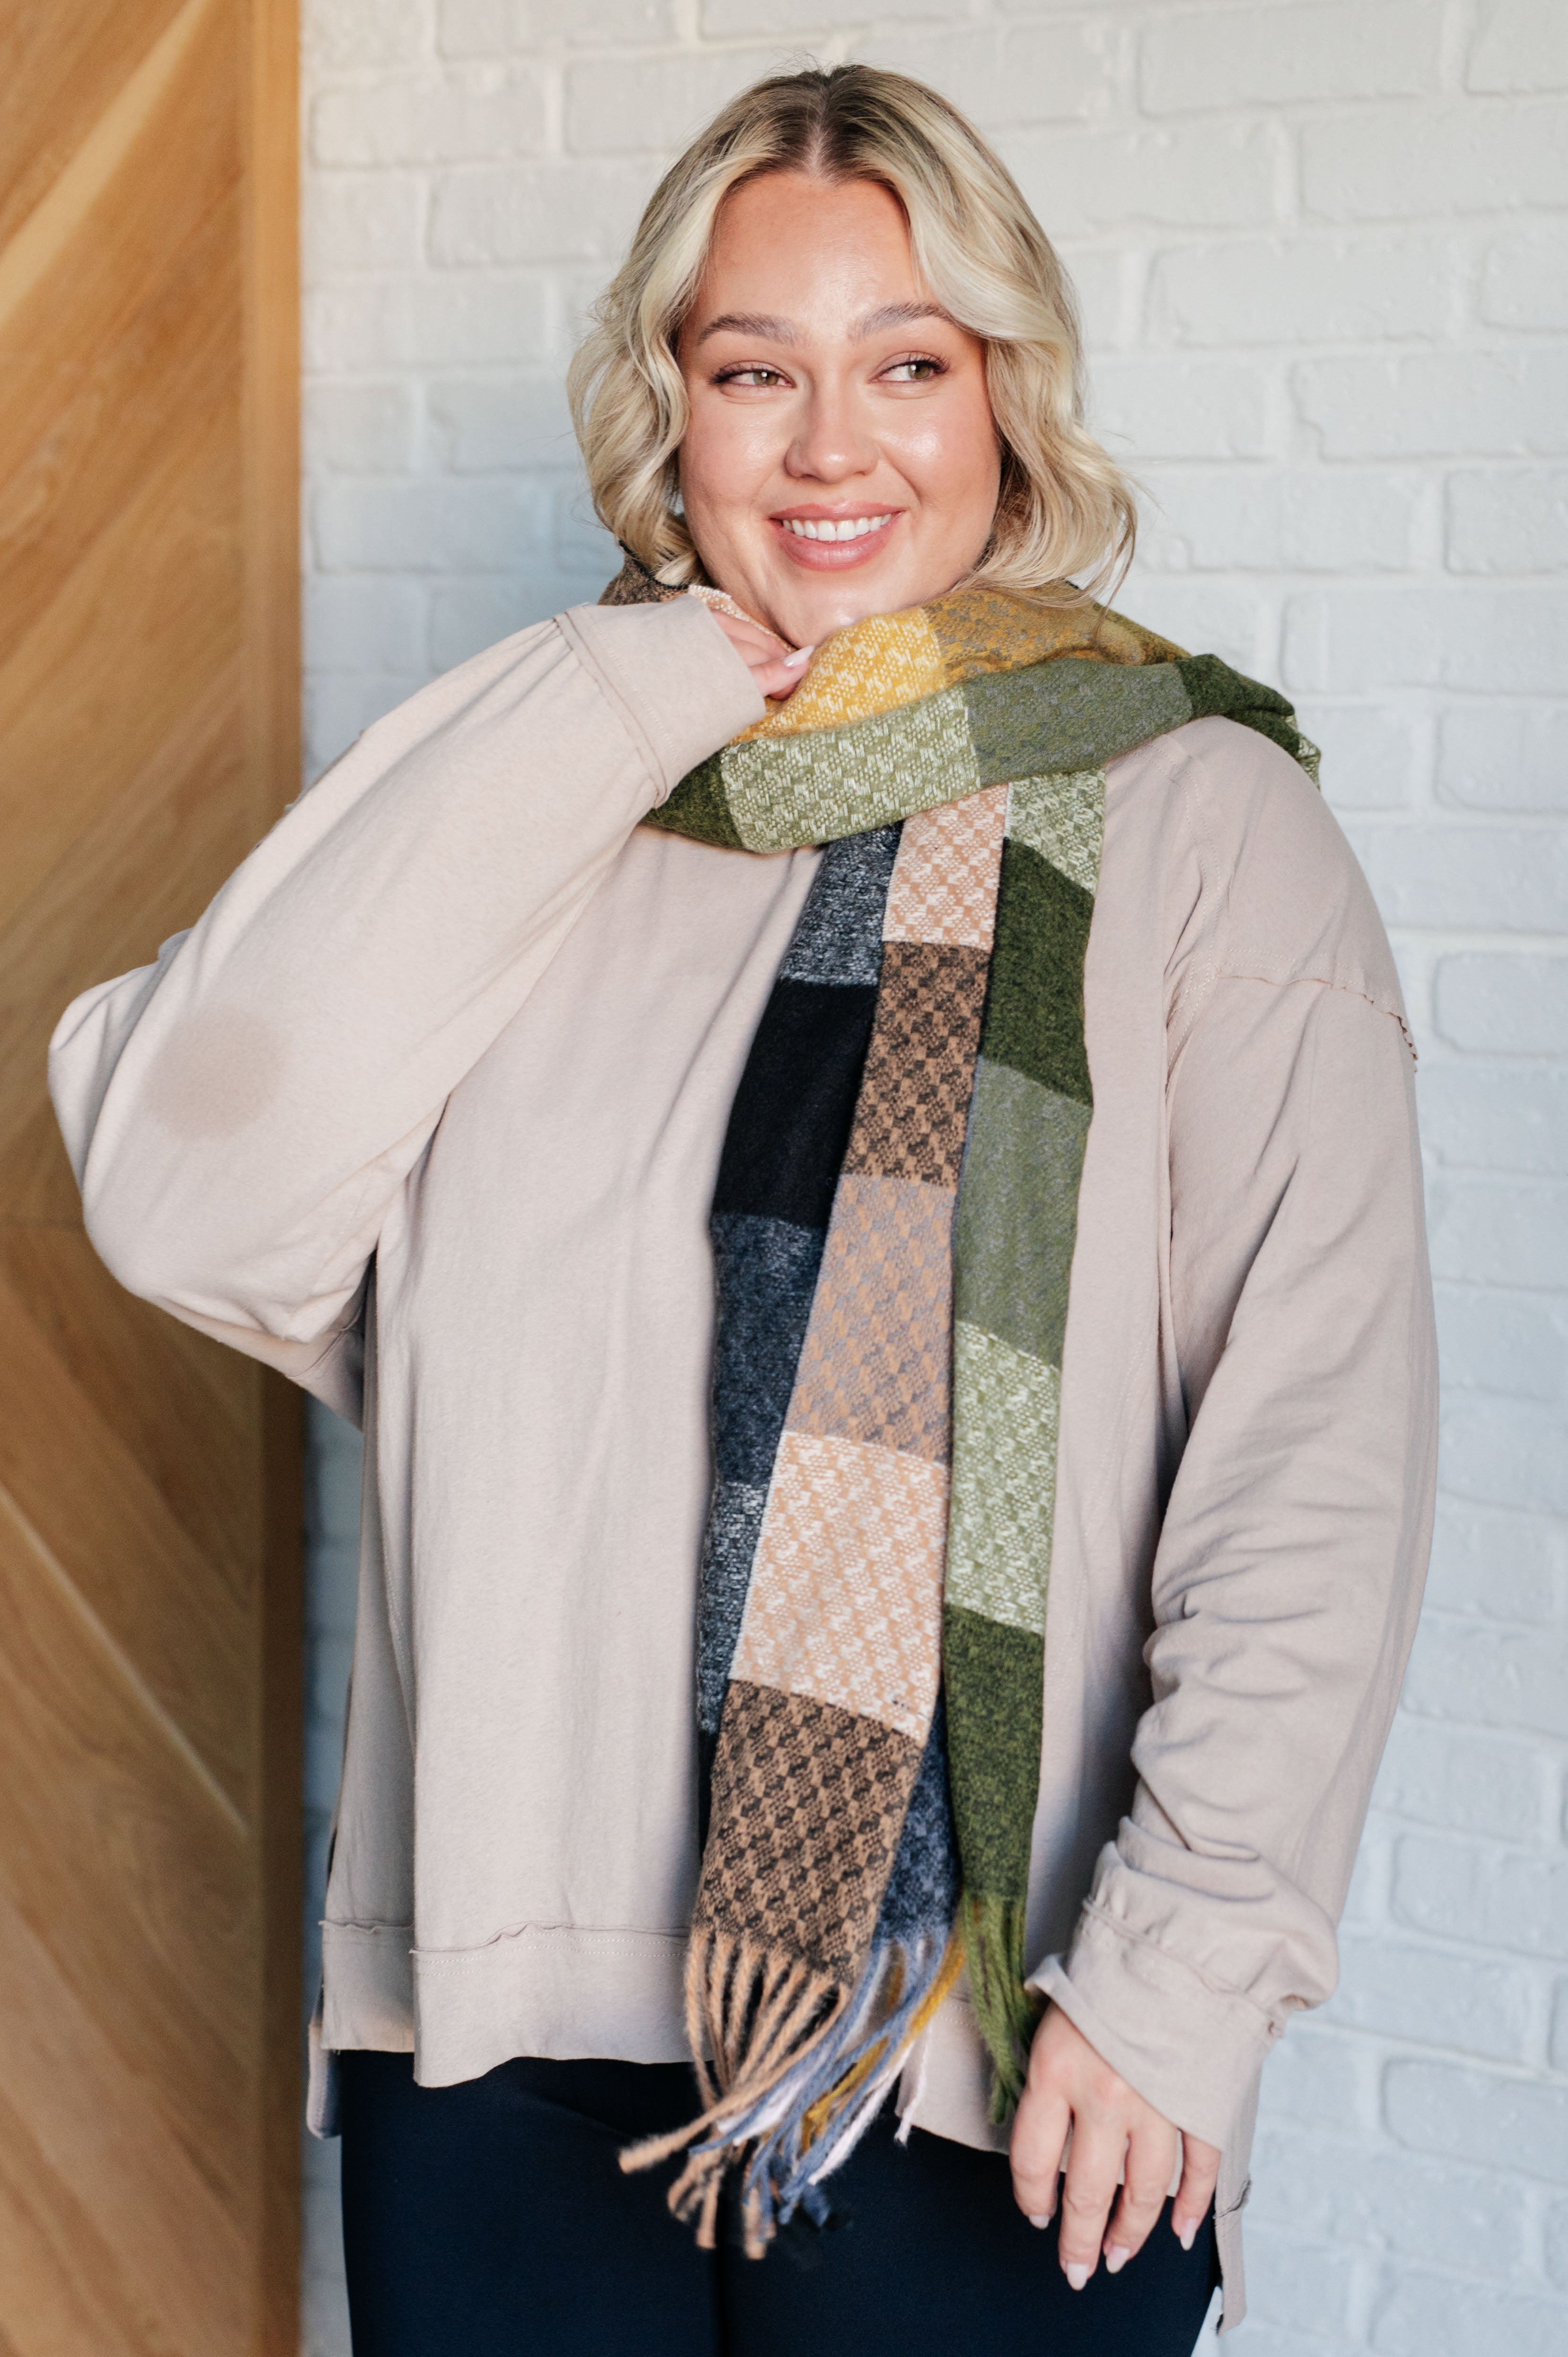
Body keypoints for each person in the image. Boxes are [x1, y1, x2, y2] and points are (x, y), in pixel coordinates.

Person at [49, 64, 1436, 2357]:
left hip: (987, 2045)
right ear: (663, 410)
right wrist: (627, 679)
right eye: (747, 371)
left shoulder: (1198, 827)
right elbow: (190, 1182)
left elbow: (1314, 1456)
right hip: (501, 2036)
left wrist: (1183, 1975)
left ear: (1003, 397)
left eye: (903, 363)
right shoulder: (555, 803)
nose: (828, 446)